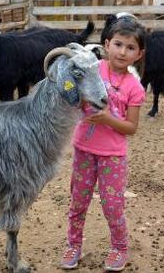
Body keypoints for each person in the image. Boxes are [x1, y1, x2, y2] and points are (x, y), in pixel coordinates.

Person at [60, 15, 146, 271]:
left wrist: (107, 119)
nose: (122, 52)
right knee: (78, 201)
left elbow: (131, 127)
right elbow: (70, 89)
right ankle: (73, 245)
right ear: (107, 44)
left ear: (139, 54)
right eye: (118, 44)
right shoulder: (92, 69)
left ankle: (119, 248)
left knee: (112, 206)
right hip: (83, 150)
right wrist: (72, 93)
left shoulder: (134, 88)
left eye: (130, 48)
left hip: (112, 156)